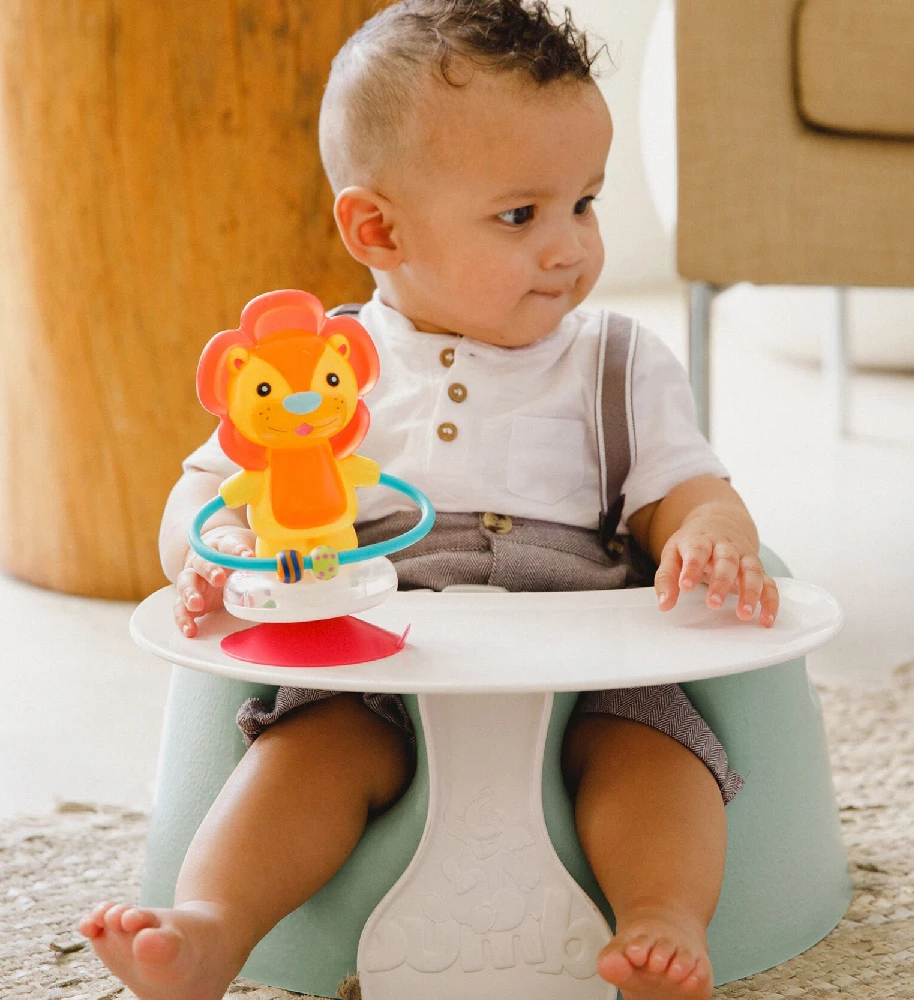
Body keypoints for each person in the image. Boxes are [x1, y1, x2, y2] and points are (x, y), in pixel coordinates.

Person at [79, 3, 779, 998]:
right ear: (377, 228)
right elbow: (206, 500)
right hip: (378, 657)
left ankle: (659, 919)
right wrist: (218, 552)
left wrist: (709, 534)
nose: (569, 247)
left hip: (586, 651)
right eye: (519, 214)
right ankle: (208, 930)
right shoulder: (314, 373)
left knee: (657, 753)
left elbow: (685, 488)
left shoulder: (617, 360)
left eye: (584, 202)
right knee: (303, 755)